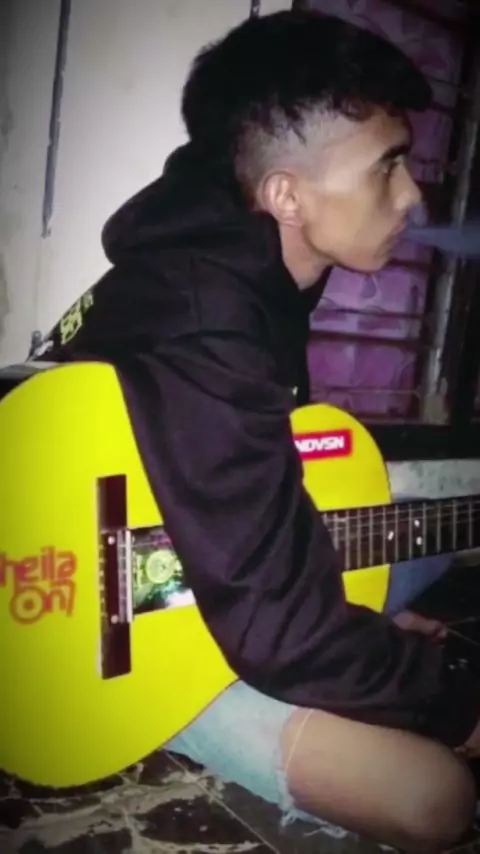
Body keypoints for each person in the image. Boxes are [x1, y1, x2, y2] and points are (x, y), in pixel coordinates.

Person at [33, 11, 480, 851]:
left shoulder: (236, 256)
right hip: (109, 636)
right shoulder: (209, 312)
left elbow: (248, 494)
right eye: (387, 165)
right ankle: (164, 715)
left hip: (200, 568)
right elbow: (277, 628)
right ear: (285, 194)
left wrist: (358, 632)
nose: (413, 196)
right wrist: (453, 696)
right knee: (436, 799)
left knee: (416, 552)